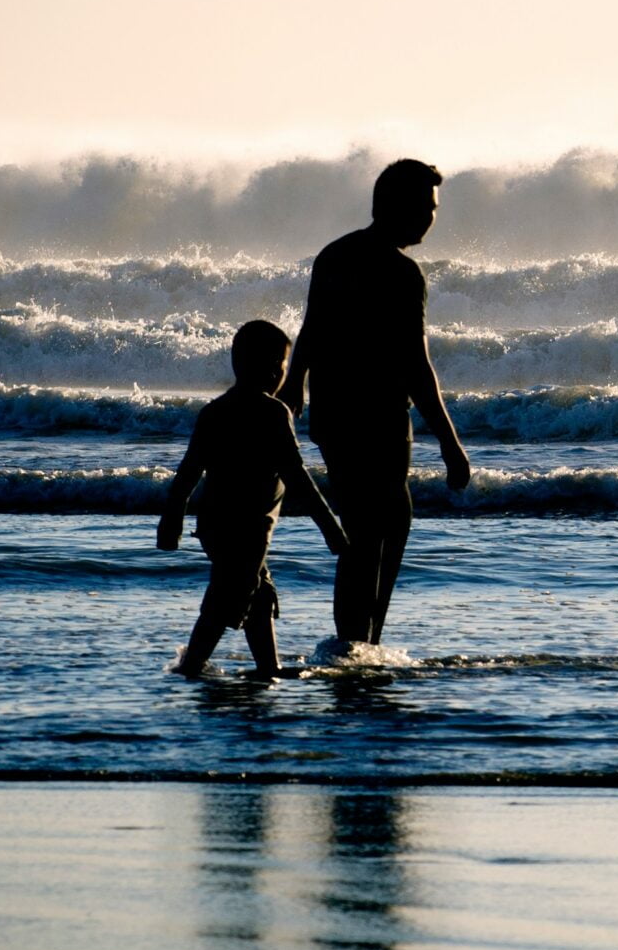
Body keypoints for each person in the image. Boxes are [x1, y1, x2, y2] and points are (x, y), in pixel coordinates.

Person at [280, 158, 472, 648]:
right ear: (398, 205)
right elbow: (416, 366)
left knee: (382, 523)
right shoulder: (401, 273)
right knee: (372, 532)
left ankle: (363, 641)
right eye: (427, 208)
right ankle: (356, 645)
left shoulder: (334, 255)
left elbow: (311, 329)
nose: (432, 218)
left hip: (333, 415)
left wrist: (295, 382)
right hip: (378, 418)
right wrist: (451, 444)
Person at [157, 319, 347, 678]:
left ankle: (267, 668)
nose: (282, 374)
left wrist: (172, 520)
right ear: (265, 367)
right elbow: (297, 477)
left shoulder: (214, 412)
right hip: (249, 528)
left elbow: (187, 474)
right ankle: (191, 666)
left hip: (214, 525)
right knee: (228, 597)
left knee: (257, 595)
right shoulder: (273, 413)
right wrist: (330, 528)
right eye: (281, 366)